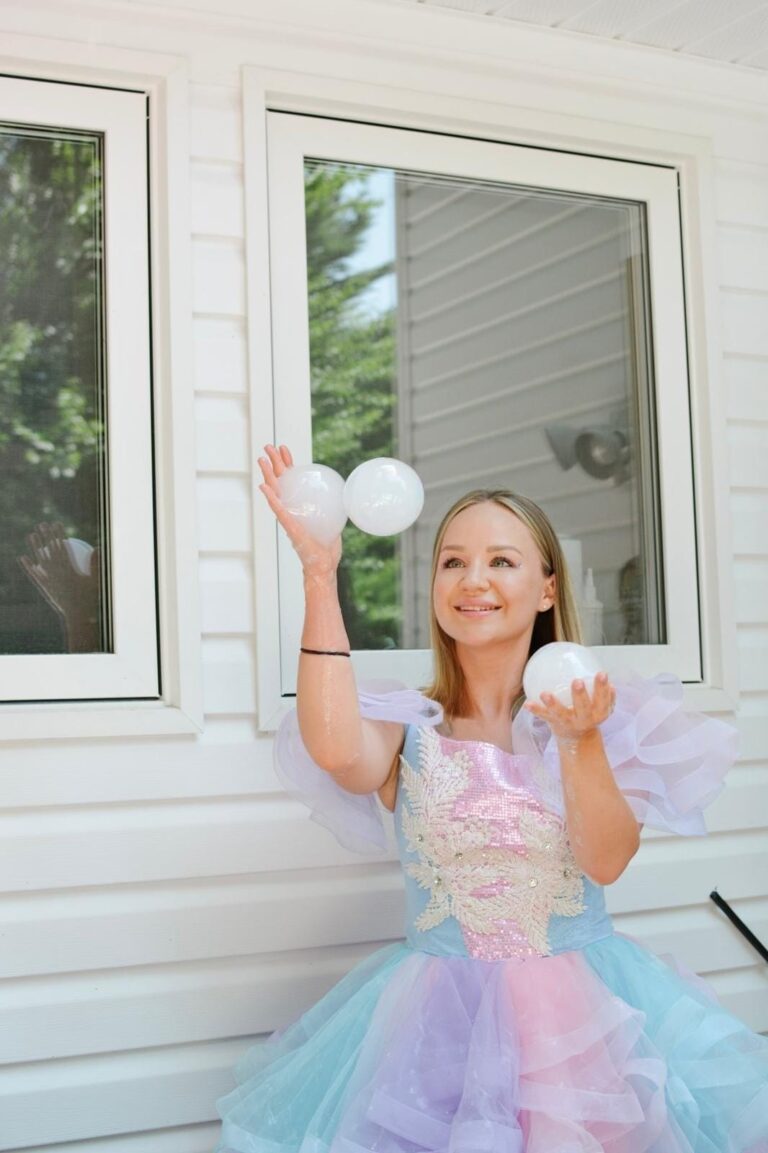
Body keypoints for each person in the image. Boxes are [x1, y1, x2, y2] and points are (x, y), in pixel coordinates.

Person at [214, 443, 768, 1152]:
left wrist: (581, 742)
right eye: (453, 560)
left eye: (502, 560)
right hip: (432, 1033)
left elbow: (606, 860)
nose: (473, 579)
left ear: (546, 587)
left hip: (579, 1032)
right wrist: (320, 574)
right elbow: (332, 745)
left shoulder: (595, 714)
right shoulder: (409, 729)